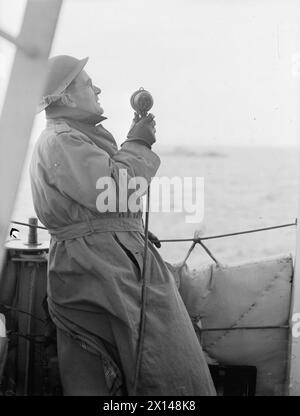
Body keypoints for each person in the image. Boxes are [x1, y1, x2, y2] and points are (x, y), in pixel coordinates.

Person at [30, 55, 216, 396]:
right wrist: (139, 144)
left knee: (148, 362)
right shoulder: (62, 140)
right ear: (67, 97)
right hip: (98, 270)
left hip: (105, 263)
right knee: (157, 364)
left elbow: (101, 204)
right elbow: (114, 191)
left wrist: (127, 227)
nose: (97, 88)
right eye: (88, 83)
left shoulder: (75, 138)